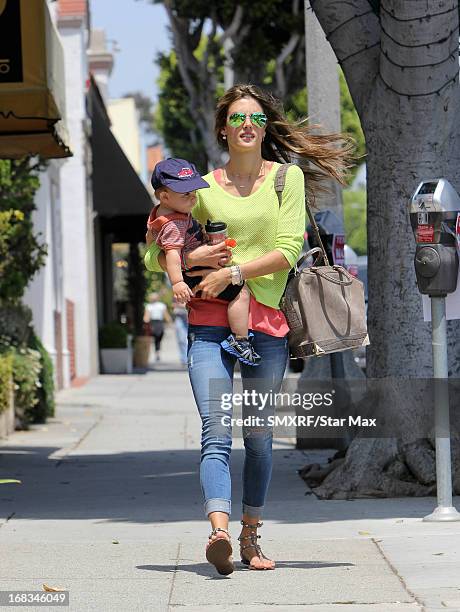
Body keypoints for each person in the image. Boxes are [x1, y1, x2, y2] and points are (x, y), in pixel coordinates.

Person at [145, 84, 351, 574]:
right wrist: (192, 260)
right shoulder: (201, 187)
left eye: (256, 120)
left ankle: (251, 537)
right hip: (209, 327)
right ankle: (217, 530)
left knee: (258, 437)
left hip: (267, 327)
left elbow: (286, 247)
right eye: (237, 119)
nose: (247, 127)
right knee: (216, 431)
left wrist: (233, 272)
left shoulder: (287, 179)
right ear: (223, 128)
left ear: (264, 128)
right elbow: (158, 250)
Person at [147, 158, 260, 366]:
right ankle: (240, 340)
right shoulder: (175, 224)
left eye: (194, 193)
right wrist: (178, 282)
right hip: (193, 275)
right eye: (186, 195)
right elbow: (172, 254)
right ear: (164, 196)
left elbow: (151, 242)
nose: (193, 199)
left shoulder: (161, 214)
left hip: (196, 270)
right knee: (241, 292)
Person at [143, 293, 170, 362]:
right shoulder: (149, 306)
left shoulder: (161, 305)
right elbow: (146, 317)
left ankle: (157, 351)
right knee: (155, 338)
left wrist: (169, 322)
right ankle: (155, 352)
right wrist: (146, 323)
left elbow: (165, 315)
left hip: (159, 323)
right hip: (153, 323)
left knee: (159, 338)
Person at [172, 299, 188, 366]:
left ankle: (189, 357)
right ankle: (184, 359)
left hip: (190, 316)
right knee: (181, 340)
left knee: (189, 339)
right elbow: (173, 304)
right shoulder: (178, 290)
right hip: (179, 317)